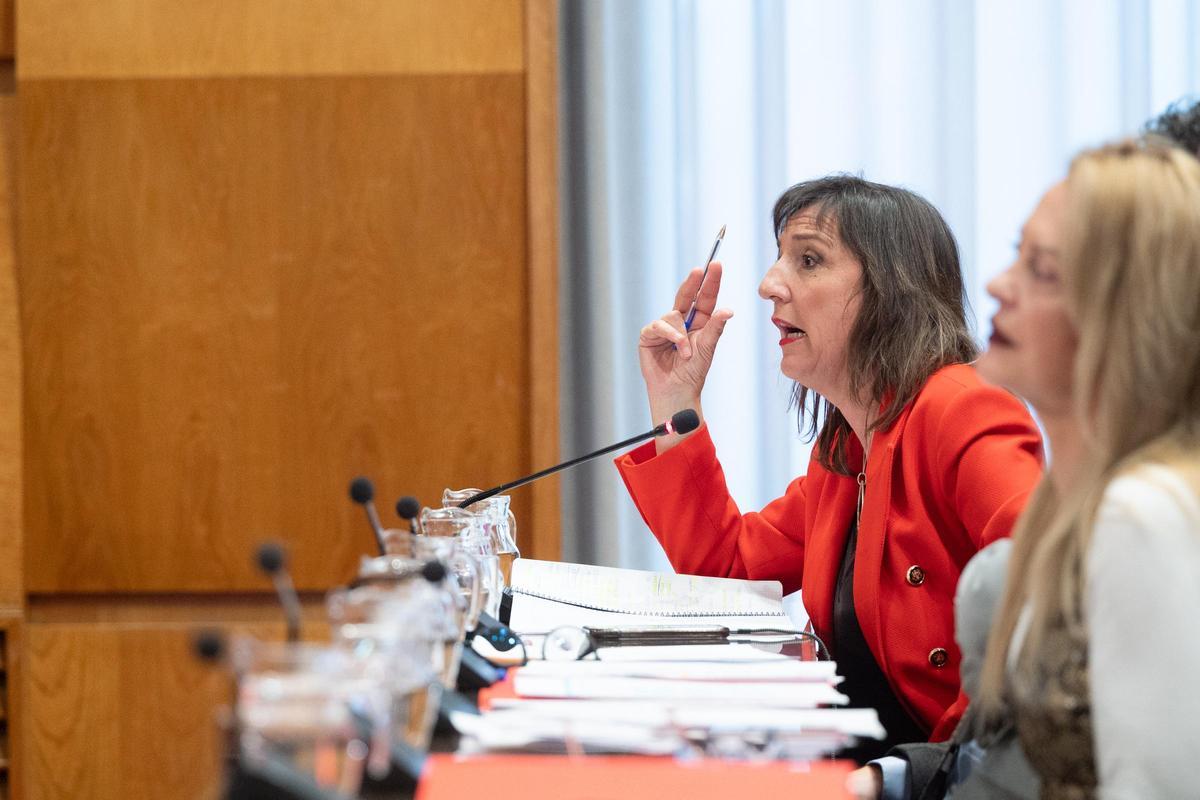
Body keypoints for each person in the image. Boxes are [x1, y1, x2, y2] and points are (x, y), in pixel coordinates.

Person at [614, 176, 1044, 756]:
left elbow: (1048, 591)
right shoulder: (847, 449)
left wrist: (927, 774)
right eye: (779, 260)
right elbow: (732, 572)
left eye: (809, 260)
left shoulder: (960, 407)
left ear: (893, 290)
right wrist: (675, 401)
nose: (769, 286)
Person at [970, 138, 1200, 798]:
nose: (997, 285)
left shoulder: (1144, 513)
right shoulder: (1071, 500)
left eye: (1041, 271)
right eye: (1018, 253)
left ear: (1123, 317)